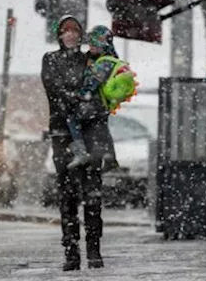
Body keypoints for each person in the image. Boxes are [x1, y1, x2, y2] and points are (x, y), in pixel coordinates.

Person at [41, 16, 116, 271]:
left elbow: (109, 71)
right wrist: (79, 100)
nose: (71, 35)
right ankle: (71, 252)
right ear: (59, 35)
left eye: (75, 30)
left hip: (90, 131)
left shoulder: (90, 59)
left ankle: (94, 250)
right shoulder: (50, 59)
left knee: (93, 194)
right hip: (63, 133)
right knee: (68, 195)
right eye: (66, 31)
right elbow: (54, 90)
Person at [66, 26, 135, 170]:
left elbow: (92, 82)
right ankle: (110, 158)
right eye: (90, 41)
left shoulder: (103, 62)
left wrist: (78, 94)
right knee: (101, 126)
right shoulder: (109, 59)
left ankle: (81, 153)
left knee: (71, 117)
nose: (91, 45)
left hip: (94, 103)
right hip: (102, 104)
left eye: (95, 41)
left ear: (104, 43)